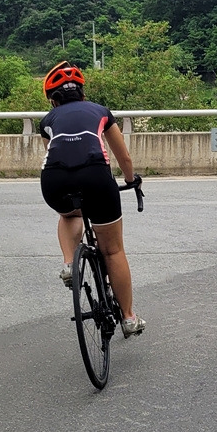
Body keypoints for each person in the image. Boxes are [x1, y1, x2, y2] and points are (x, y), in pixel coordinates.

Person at [38, 61, 145, 338]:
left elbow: (55, 154)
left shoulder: (47, 120)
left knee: (69, 214)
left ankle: (68, 264)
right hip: (96, 176)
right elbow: (124, 157)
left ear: (53, 100)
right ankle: (129, 318)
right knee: (113, 251)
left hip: (54, 181)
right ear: (83, 94)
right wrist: (131, 180)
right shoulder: (100, 112)